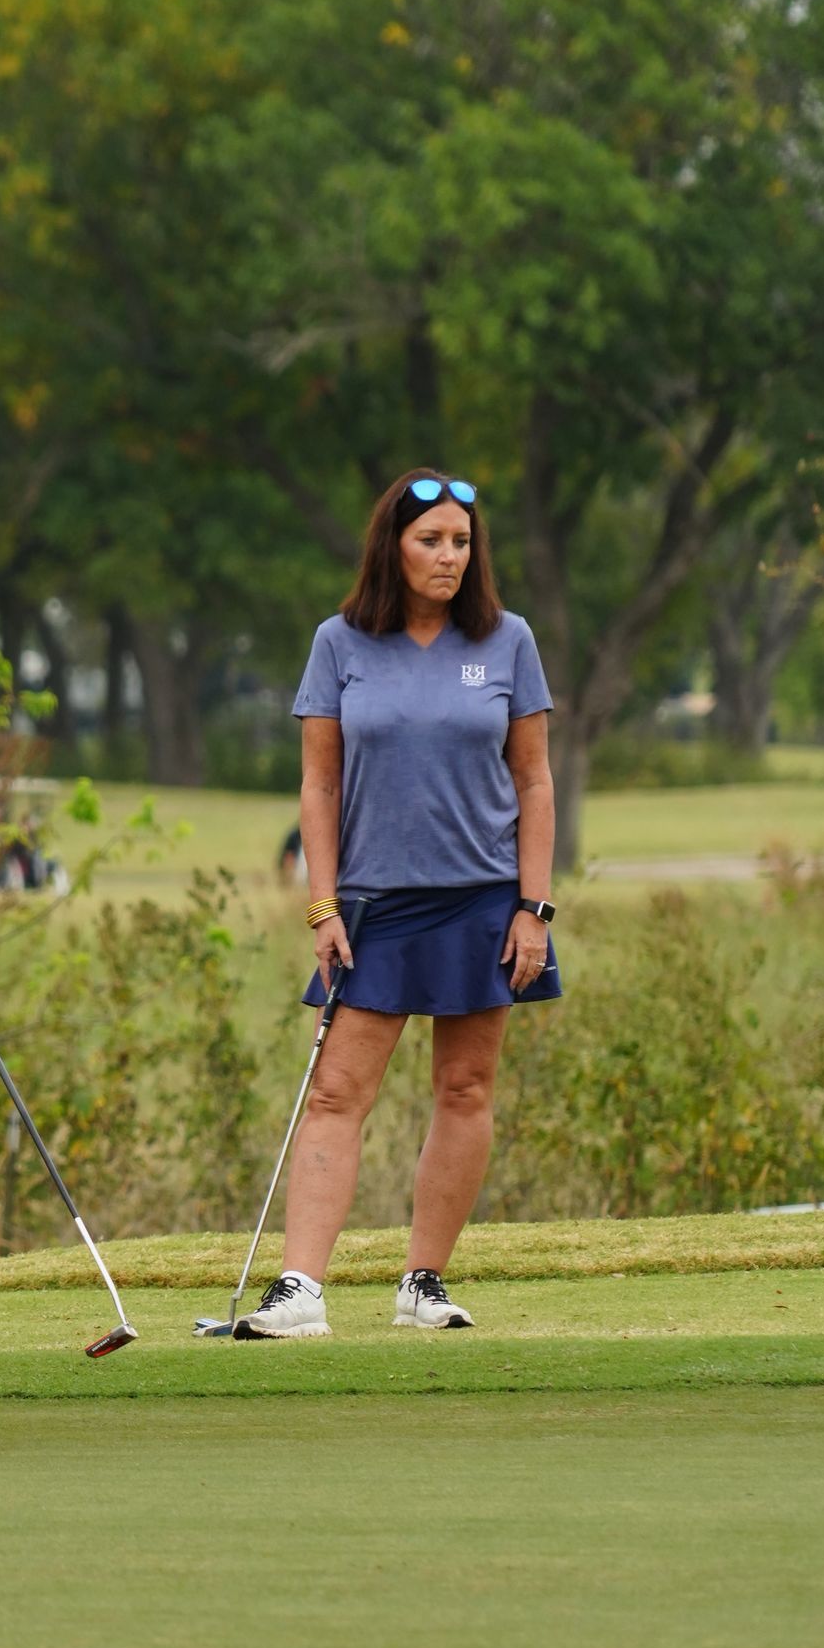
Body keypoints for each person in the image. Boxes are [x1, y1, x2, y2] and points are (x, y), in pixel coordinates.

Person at [230, 469, 561, 1340]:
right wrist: (321, 905)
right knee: (338, 1091)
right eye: (430, 541)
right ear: (393, 546)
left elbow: (534, 778)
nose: (448, 557)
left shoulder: (508, 640)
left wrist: (536, 907)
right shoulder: (339, 643)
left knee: (465, 1086)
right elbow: (319, 782)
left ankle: (423, 1280)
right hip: (373, 905)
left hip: (485, 900)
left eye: (460, 542)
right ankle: (300, 1288)